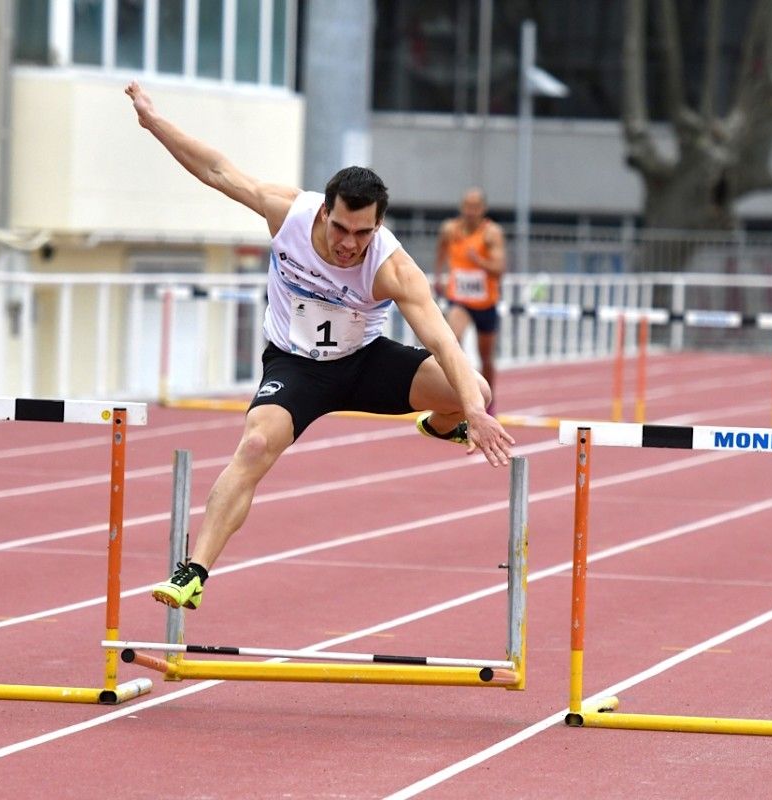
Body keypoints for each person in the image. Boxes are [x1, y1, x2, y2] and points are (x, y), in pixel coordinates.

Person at [124, 81, 515, 611]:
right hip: (296, 365)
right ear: (324, 211)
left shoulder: (392, 266)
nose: (348, 243)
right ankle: (194, 571)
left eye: (362, 232)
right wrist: (153, 123)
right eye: (340, 228)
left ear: (378, 225)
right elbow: (217, 170)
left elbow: (442, 337)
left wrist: (475, 410)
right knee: (257, 445)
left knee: (475, 386)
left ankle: (442, 425)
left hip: (364, 362)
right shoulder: (286, 212)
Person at [433, 188, 506, 415]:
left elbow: (499, 269)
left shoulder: (491, 233)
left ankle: (489, 401)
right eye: (467, 207)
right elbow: (441, 252)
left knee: (486, 357)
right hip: (460, 300)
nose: (470, 212)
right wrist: (438, 276)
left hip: (485, 304)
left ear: (483, 209)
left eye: (475, 207)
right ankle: (458, 395)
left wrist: (479, 261)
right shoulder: (450, 229)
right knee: (452, 341)